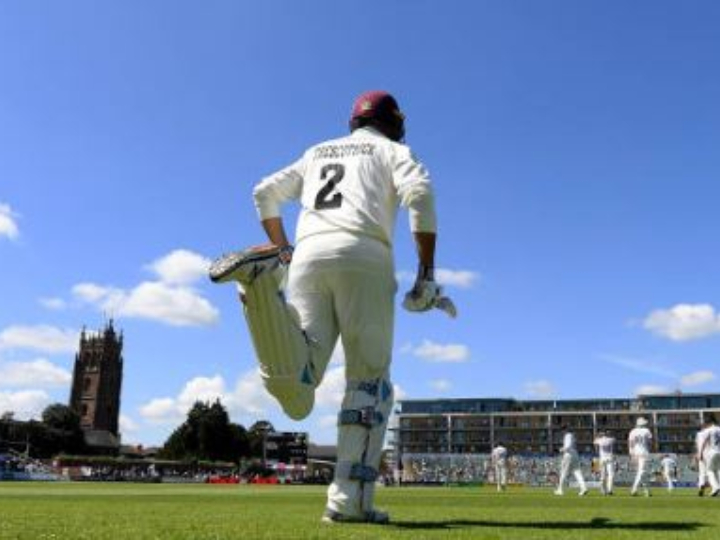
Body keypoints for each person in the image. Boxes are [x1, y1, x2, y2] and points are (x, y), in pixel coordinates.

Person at [209, 90, 455, 524]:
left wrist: (284, 250)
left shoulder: (317, 152)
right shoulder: (394, 150)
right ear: (394, 122)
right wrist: (427, 273)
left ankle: (263, 284)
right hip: (365, 255)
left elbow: (264, 193)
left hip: (306, 258)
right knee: (369, 380)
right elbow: (420, 194)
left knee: (298, 393)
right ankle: (348, 503)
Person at [554, 426, 587, 496]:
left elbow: (568, 446)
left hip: (568, 455)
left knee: (563, 472)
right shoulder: (572, 435)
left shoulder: (567, 435)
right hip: (575, 454)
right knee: (577, 472)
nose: (562, 432)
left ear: (565, 430)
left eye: (562, 430)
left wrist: (559, 450)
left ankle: (560, 490)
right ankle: (583, 488)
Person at [628, 417, 653, 496]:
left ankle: (647, 491)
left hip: (635, 453)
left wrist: (631, 454)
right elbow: (650, 442)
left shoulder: (633, 431)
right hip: (644, 453)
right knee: (642, 472)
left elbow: (630, 443)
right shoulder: (646, 430)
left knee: (642, 472)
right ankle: (634, 489)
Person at [699, 415, 720, 497]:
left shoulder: (709, 430)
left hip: (712, 452)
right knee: (718, 470)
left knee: (709, 471)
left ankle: (715, 487)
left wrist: (700, 453)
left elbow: (704, 442)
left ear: (710, 422)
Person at [593, 430, 616, 495]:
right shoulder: (612, 439)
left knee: (603, 475)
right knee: (610, 474)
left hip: (602, 458)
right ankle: (609, 490)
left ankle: (603, 490)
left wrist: (598, 435)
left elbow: (594, 442)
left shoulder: (599, 440)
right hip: (610, 458)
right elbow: (614, 440)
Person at [696, 423, 710, 496]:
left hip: (701, 455)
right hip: (709, 454)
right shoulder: (709, 432)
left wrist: (698, 454)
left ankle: (701, 485)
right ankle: (715, 487)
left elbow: (697, 445)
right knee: (714, 472)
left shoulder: (698, 434)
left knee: (702, 473)